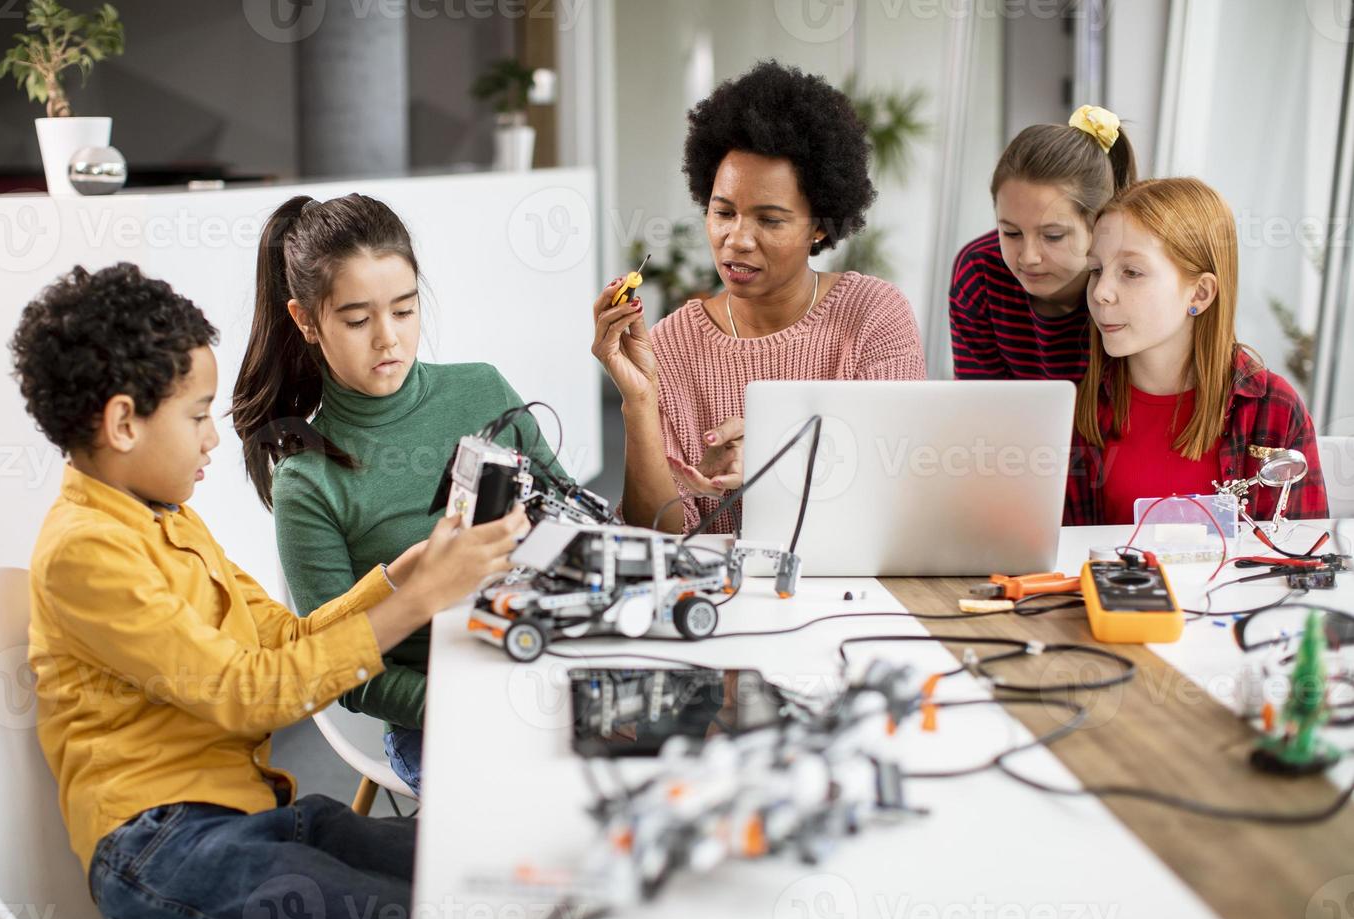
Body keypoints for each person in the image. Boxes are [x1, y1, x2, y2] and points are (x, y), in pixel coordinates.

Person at [13, 262, 526, 919]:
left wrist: (400, 576)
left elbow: (283, 639)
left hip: (249, 821)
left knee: (497, 878)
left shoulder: (172, 522)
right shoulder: (85, 552)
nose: (212, 440)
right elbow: (248, 692)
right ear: (125, 422)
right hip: (163, 855)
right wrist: (416, 603)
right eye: (197, 416)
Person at [233, 193, 564, 795]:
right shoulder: (307, 480)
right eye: (358, 320)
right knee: (528, 806)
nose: (388, 339)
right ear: (306, 320)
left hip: (545, 662)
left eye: (405, 311)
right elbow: (344, 672)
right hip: (436, 718)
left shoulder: (482, 389)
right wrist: (469, 704)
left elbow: (574, 522)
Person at [593, 60, 925, 535]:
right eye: (723, 212)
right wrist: (639, 401)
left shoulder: (873, 317)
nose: (737, 239)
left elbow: (900, 487)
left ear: (817, 227)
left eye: (769, 220)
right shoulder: (670, 344)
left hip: (846, 589)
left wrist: (777, 462)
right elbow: (659, 532)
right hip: (718, 602)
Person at [1064, 177, 1328, 524]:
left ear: (1200, 294)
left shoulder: (1273, 409)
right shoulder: (1084, 405)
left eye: (1131, 271)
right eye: (1096, 270)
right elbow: (1060, 556)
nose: (1101, 292)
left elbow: (1304, 561)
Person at [951, 105, 1138, 381]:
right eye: (1011, 233)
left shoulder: (1136, 284)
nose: (1028, 257)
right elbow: (980, 405)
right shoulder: (979, 272)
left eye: (1053, 236)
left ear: (1100, 225)